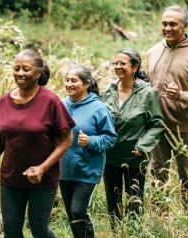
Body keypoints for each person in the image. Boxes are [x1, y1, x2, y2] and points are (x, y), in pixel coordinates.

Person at [0, 49, 75, 238]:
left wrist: (42, 168)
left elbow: (67, 140)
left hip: (43, 177)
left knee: (39, 229)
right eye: (16, 68)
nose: (20, 73)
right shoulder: (5, 101)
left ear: (38, 72)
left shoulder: (51, 101)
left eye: (26, 69)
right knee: (11, 230)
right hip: (11, 176)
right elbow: (0, 137)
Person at [147, 5, 188, 214]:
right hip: (157, 126)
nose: (168, 28)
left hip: (184, 127)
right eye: (165, 23)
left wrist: (182, 95)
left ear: (185, 26)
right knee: (157, 173)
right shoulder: (153, 51)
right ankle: (159, 221)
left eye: (173, 24)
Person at [101, 48, 164, 226]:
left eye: (123, 63)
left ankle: (133, 231)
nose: (118, 67)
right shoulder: (108, 90)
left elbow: (157, 124)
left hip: (135, 156)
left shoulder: (147, 93)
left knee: (134, 198)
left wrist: (143, 146)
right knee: (112, 197)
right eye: (115, 63)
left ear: (135, 67)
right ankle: (116, 230)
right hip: (110, 155)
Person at [60, 65, 117, 238]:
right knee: (71, 214)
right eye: (67, 80)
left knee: (78, 211)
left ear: (86, 84)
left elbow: (110, 137)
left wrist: (90, 141)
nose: (69, 84)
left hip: (87, 169)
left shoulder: (98, 108)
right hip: (64, 169)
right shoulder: (61, 104)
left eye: (74, 80)